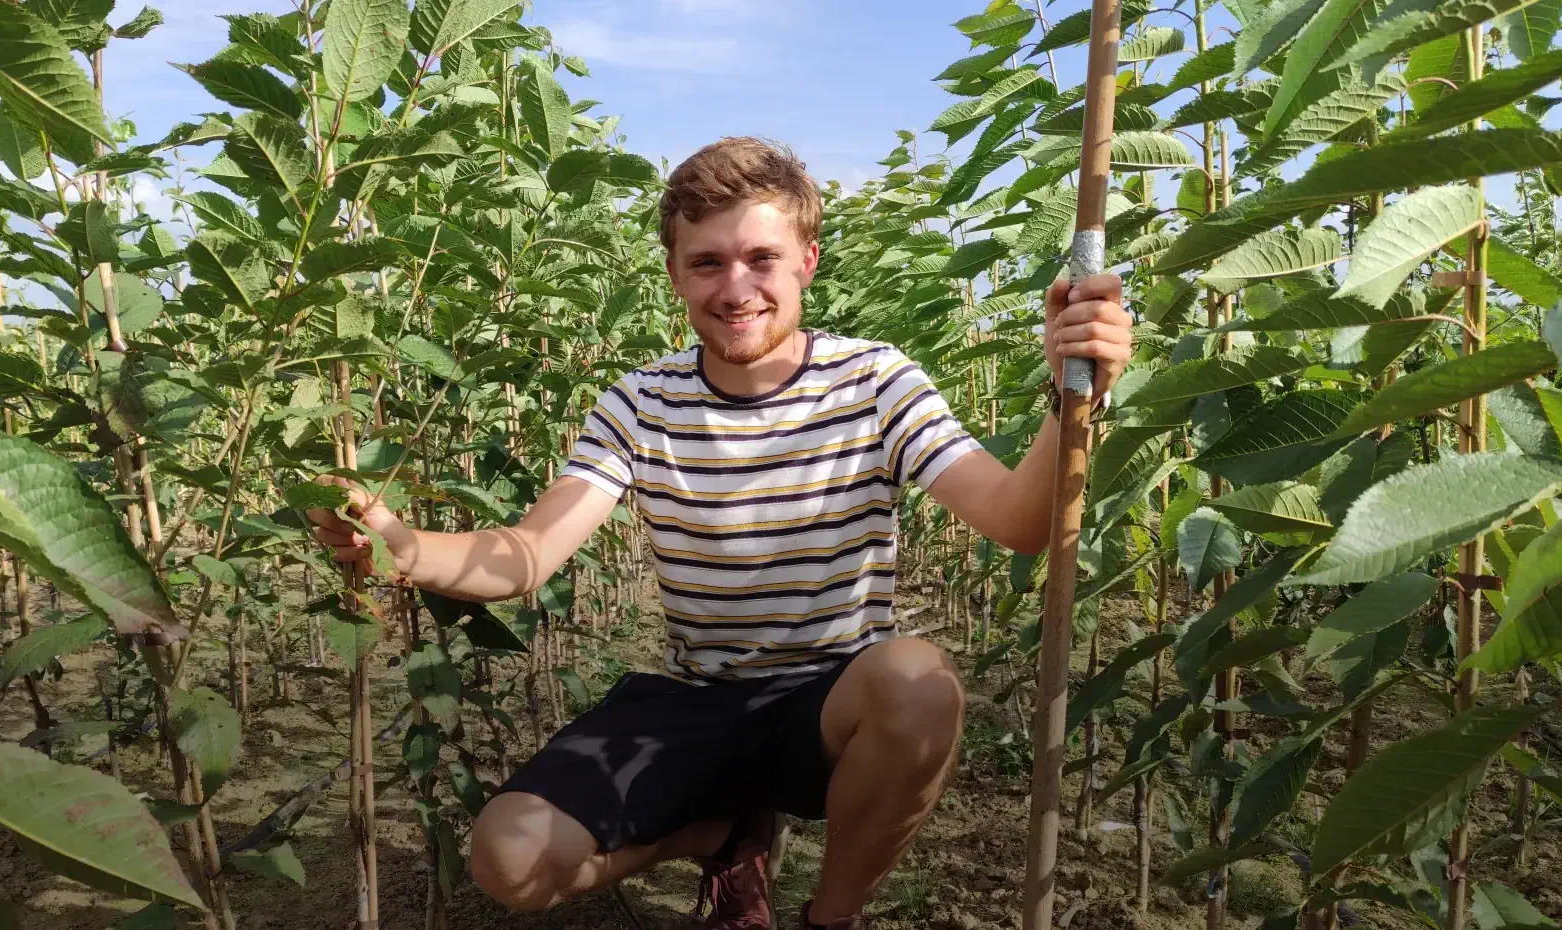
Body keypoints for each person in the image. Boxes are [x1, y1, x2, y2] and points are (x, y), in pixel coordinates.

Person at [309, 137, 1134, 930]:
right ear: (673, 274)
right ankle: (719, 833)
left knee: (917, 680)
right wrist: (399, 545)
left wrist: (1074, 398)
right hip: (696, 700)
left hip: (833, 703)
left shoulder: (876, 381)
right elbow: (529, 554)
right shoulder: (640, 402)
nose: (735, 287)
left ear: (807, 259)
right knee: (509, 858)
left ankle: (828, 916)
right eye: (706, 262)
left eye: (760, 258)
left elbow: (1018, 521)